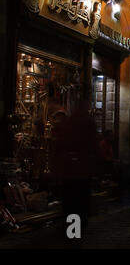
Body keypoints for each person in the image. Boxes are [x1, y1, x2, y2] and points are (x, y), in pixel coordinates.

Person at [54, 100, 99, 248]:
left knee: (71, 202)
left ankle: (71, 230)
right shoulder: (87, 123)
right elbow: (93, 145)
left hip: (70, 171)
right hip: (81, 170)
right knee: (79, 202)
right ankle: (75, 231)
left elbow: (59, 145)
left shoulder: (69, 123)